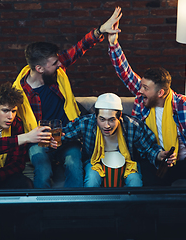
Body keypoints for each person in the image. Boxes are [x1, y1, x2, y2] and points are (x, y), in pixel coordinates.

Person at [107, 8, 186, 186]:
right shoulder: (142, 99)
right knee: (147, 187)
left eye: (145, 88)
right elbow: (124, 72)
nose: (139, 91)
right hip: (155, 158)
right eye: (141, 87)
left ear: (161, 93)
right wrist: (113, 44)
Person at [12, 8, 123, 188]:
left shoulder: (56, 72)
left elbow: (79, 48)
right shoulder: (19, 92)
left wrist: (100, 30)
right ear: (39, 68)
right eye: (54, 63)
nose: (59, 64)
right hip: (39, 140)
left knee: (73, 163)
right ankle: (41, 210)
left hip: (68, 135)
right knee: (42, 168)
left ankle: (75, 208)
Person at [62, 93, 175, 187]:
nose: (107, 125)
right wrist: (48, 137)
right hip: (95, 162)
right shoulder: (86, 123)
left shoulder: (132, 125)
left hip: (126, 163)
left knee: (135, 183)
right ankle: (93, 212)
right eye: (102, 119)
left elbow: (148, 147)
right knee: (91, 181)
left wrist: (159, 155)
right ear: (95, 116)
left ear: (119, 116)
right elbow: (63, 133)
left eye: (111, 120)